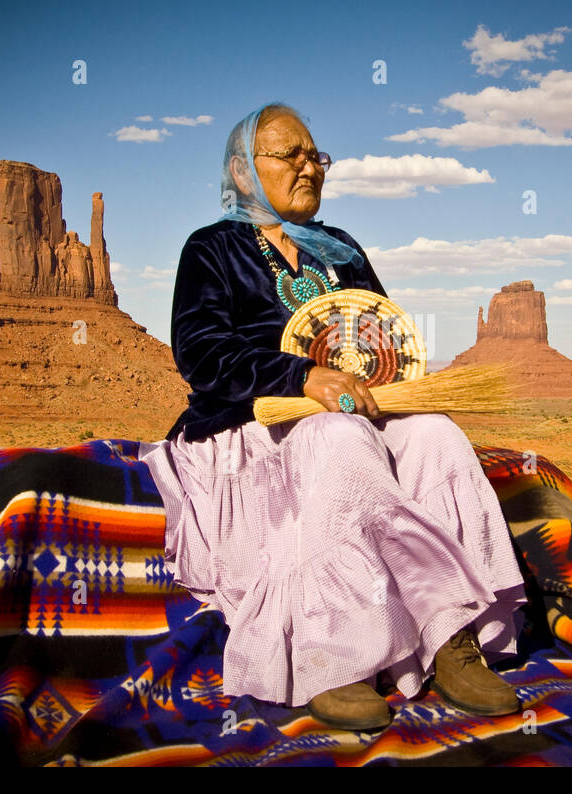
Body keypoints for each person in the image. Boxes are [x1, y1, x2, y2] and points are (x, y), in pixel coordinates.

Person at [138, 102, 528, 731]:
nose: (307, 166)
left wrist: (389, 379)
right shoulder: (212, 248)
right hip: (254, 427)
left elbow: (383, 331)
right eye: (288, 154)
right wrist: (302, 377)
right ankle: (334, 657)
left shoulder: (341, 249)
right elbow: (202, 353)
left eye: (314, 155)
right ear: (242, 172)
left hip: (349, 416)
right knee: (338, 438)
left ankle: (454, 636)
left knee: (436, 437)